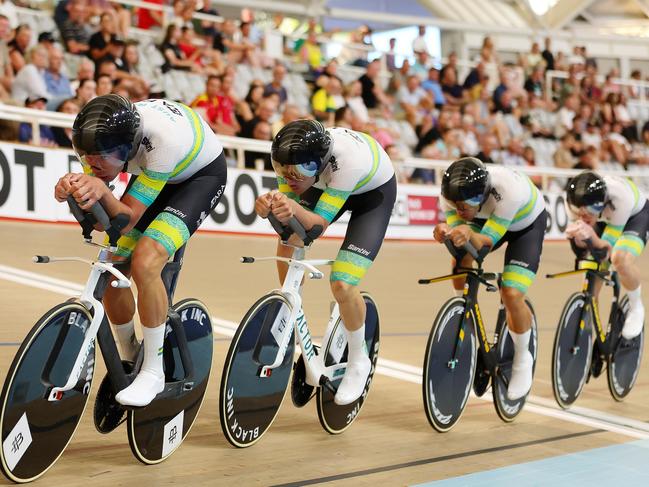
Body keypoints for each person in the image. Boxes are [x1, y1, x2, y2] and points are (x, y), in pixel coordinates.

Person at [54, 95, 227, 407]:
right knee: (112, 265)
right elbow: (102, 219)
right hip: (152, 170)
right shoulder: (95, 139)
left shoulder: (162, 142)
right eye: (86, 158)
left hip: (198, 179)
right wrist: (74, 190)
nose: (93, 165)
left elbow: (126, 218)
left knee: (147, 261)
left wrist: (101, 191)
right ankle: (132, 354)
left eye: (101, 158)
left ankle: (153, 370)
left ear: (125, 147)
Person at [254, 120, 397, 405]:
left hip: (372, 196)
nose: (290, 177)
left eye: (299, 171)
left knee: (342, 283)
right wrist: (269, 206)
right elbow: (292, 226)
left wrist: (292, 206)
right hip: (328, 182)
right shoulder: (294, 161)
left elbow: (317, 226)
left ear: (319, 163)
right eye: (282, 170)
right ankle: (289, 307)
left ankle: (359, 359)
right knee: (289, 239)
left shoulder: (347, 163)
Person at [434, 157, 547, 400]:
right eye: (456, 205)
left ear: (483, 195)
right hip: (485, 219)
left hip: (525, 226)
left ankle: (522, 357)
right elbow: (460, 239)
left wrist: (465, 230)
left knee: (511, 292)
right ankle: (463, 313)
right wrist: (447, 231)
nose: (460, 210)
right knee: (459, 259)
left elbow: (486, 242)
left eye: (466, 204)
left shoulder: (509, 192)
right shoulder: (448, 195)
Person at [565, 171, 649, 340]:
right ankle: (586, 332)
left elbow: (606, 251)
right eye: (579, 210)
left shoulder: (619, 198)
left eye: (590, 210)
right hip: (604, 220)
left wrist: (589, 237)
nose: (584, 214)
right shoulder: (573, 201)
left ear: (601, 203)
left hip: (634, 217)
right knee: (590, 270)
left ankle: (636, 306)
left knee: (620, 260)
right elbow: (581, 249)